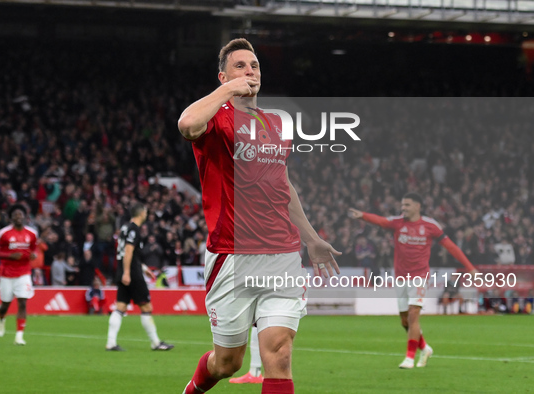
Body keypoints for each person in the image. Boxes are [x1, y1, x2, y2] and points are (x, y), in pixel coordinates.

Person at [178, 38, 340, 394]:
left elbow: (283, 186)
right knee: (228, 362)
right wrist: (228, 91)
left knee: (279, 353)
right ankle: (193, 389)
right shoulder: (215, 119)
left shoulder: (277, 125)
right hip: (232, 257)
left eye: (254, 66)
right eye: (240, 66)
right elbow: (187, 124)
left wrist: (311, 238)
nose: (249, 71)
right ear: (223, 76)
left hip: (282, 254)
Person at [349, 192, 477, 369]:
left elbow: (451, 247)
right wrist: (362, 215)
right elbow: (381, 221)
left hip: (420, 277)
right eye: (402, 205)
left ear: (418, 206)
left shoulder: (430, 225)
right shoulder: (397, 223)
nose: (403, 208)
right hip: (401, 277)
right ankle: (424, 348)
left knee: (413, 314)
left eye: (407, 205)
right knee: (404, 320)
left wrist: (470, 268)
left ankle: (409, 357)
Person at [105, 203, 174, 351]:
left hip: (127, 270)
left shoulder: (125, 228)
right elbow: (128, 251)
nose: (147, 214)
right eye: (146, 212)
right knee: (146, 306)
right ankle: (155, 343)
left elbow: (129, 253)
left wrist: (144, 268)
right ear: (141, 213)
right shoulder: (134, 230)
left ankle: (111, 343)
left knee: (121, 306)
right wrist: (128, 272)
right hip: (131, 273)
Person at [0, 204, 38, 346]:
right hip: (6, 274)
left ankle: (19, 336)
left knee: (22, 302)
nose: (18, 217)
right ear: (11, 218)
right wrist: (10, 255)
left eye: (20, 214)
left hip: (24, 273)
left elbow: (33, 250)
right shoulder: (3, 233)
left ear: (25, 217)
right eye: (15, 215)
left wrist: (33, 255)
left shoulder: (32, 233)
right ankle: (1, 319)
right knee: (5, 304)